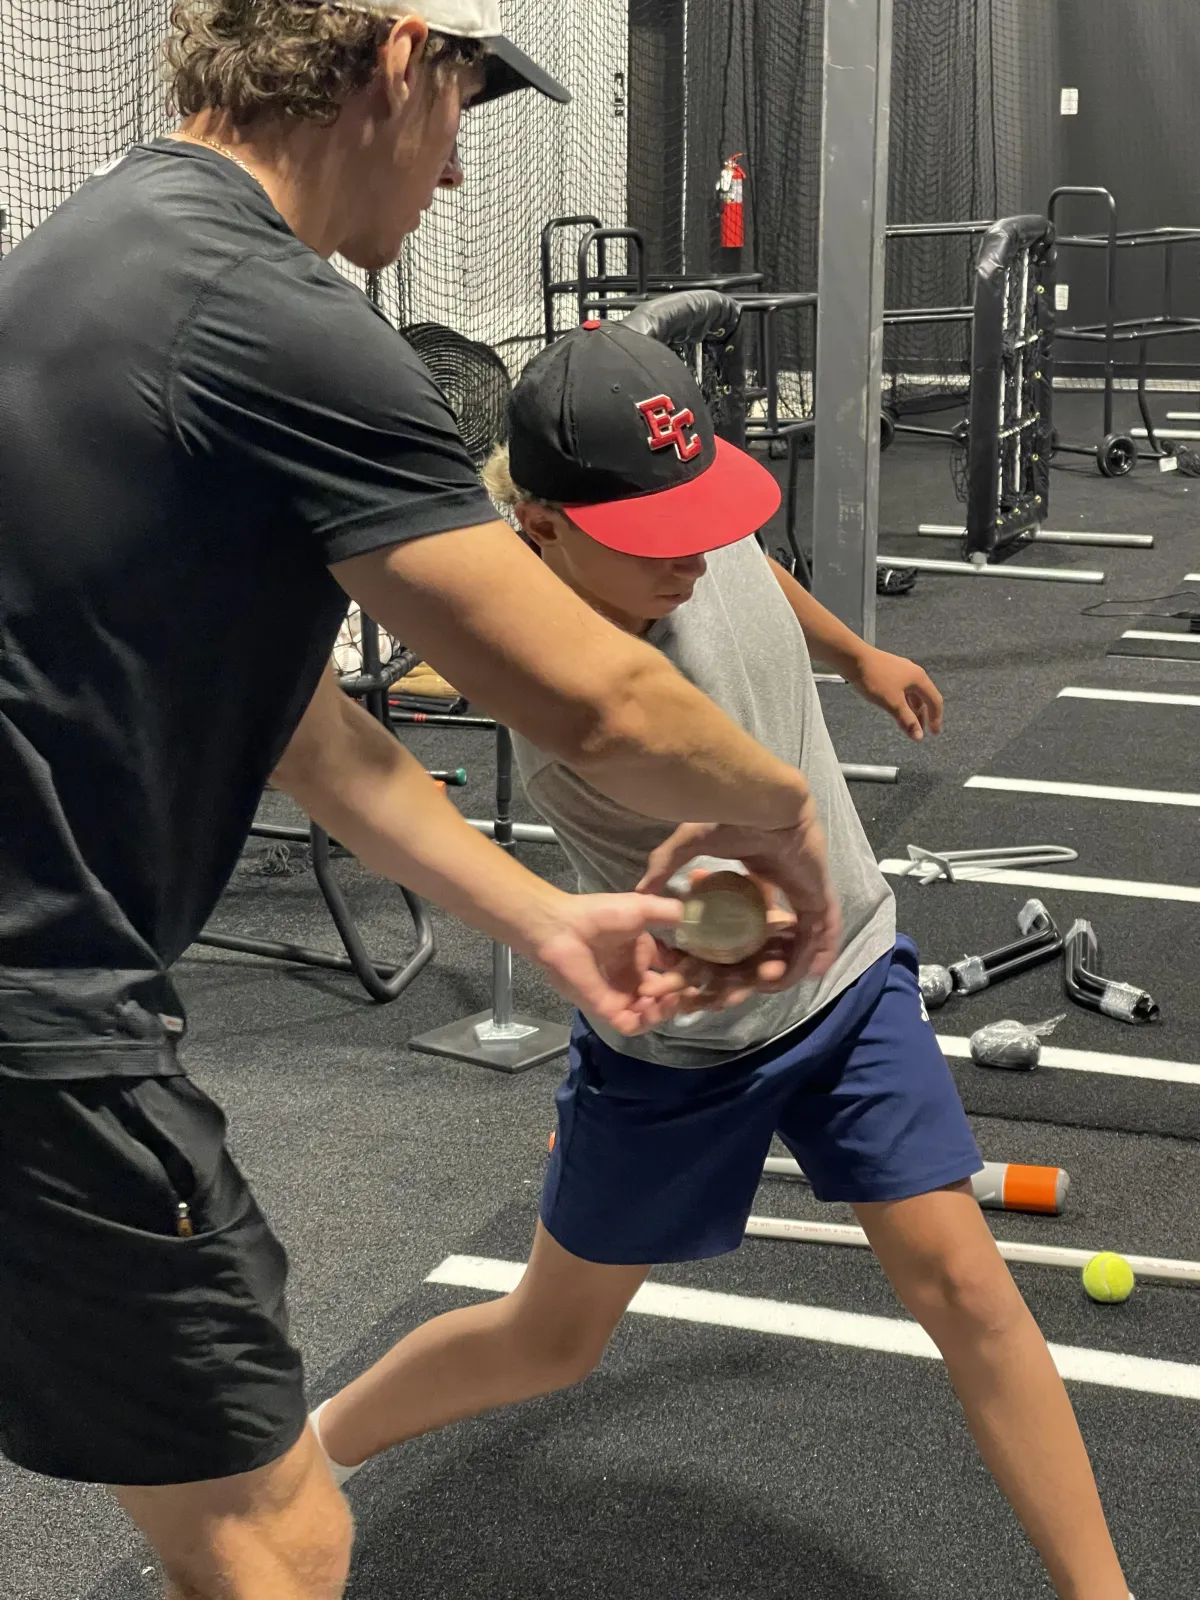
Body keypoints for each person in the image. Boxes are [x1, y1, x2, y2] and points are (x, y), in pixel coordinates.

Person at [0, 6, 846, 1600]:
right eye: (464, 105)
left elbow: (305, 730)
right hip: (40, 1020)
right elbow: (596, 699)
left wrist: (543, 918)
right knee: (278, 1536)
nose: (458, 172)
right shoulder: (273, 310)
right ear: (398, 61)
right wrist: (785, 816)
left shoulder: (105, 247)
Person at [312, 321, 1133, 1600]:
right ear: (541, 529)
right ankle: (313, 1451)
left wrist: (854, 652)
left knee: (970, 1289)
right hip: (685, 1055)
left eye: (702, 513)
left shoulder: (678, 527)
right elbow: (719, 919)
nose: (693, 552)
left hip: (851, 981)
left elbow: (745, 563)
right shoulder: (565, 714)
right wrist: (727, 915)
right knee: (550, 1341)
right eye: (658, 540)